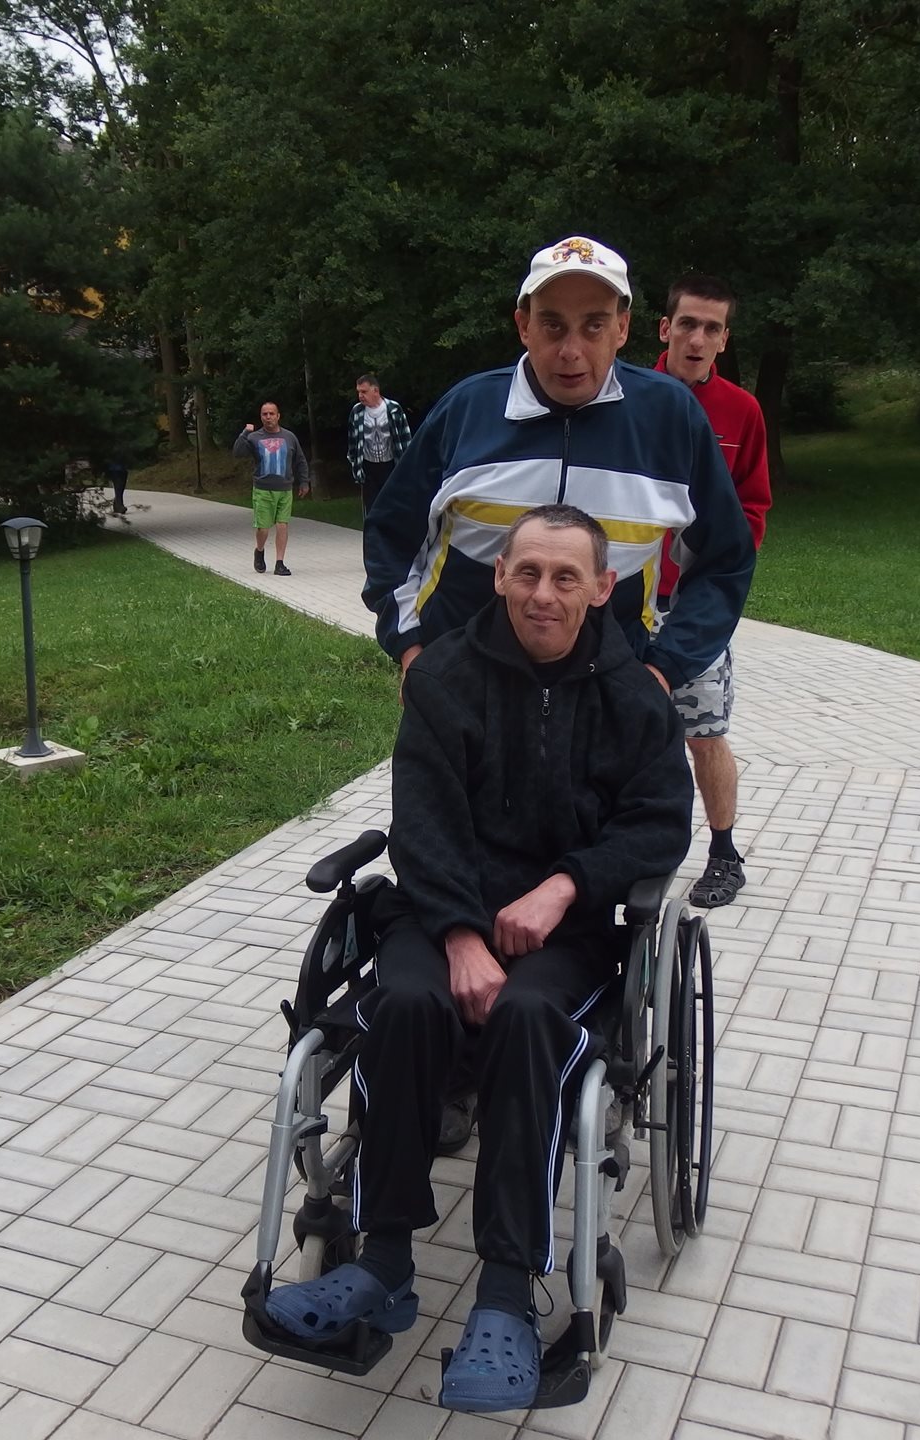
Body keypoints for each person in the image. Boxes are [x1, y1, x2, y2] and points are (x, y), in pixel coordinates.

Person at [264, 505, 691, 1414]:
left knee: (530, 1017)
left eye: (566, 577)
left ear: (602, 588)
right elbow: (420, 824)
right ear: (498, 575)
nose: (543, 593)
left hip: (565, 934)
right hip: (438, 911)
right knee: (404, 1004)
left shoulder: (636, 699)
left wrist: (566, 887)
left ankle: (505, 1289)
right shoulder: (443, 677)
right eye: (526, 572)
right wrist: (461, 935)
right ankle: (383, 1259)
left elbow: (659, 825)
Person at [363, 234, 755, 706]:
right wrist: (411, 648)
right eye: (552, 325)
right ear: (523, 325)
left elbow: (724, 558)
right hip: (460, 690)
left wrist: (663, 669)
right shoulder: (467, 409)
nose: (571, 350)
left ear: (622, 328)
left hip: (608, 700)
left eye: (594, 326)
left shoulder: (670, 418)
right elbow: (393, 533)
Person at [653, 273, 772, 906]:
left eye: (712, 328)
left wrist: (716, 571)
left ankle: (724, 854)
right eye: (687, 324)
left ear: (725, 339)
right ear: (664, 329)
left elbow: (753, 504)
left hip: (692, 607)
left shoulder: (741, 411)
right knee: (608, 728)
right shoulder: (624, 395)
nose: (697, 339)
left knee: (704, 731)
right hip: (617, 598)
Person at [233, 401, 309, 575]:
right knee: (263, 528)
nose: (268, 417)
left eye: (271, 414)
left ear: (278, 416)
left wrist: (304, 481)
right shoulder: (255, 437)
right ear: (261, 417)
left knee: (282, 525)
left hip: (285, 488)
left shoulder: (289, 437)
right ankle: (259, 550)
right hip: (263, 489)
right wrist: (245, 432)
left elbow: (300, 460)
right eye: (264, 414)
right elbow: (237, 452)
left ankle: (279, 563)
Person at [347, 374, 413, 515]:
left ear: (375, 390)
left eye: (364, 391)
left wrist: (407, 466)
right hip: (368, 467)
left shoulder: (393, 409)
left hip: (390, 465)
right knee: (371, 509)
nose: (360, 396)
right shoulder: (357, 412)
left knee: (392, 506)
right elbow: (352, 442)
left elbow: (406, 439)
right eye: (358, 392)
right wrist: (355, 465)